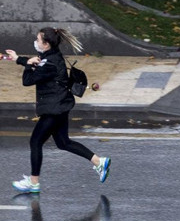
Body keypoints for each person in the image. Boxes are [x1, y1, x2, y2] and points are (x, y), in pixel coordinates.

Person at [6, 27, 110, 193]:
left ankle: (33, 183)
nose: (36, 42)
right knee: (63, 142)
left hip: (53, 109)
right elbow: (38, 63)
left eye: (38, 40)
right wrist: (19, 59)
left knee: (35, 142)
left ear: (46, 44)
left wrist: (26, 64)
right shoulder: (53, 56)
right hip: (61, 105)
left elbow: (28, 80)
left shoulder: (50, 63)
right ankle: (99, 162)